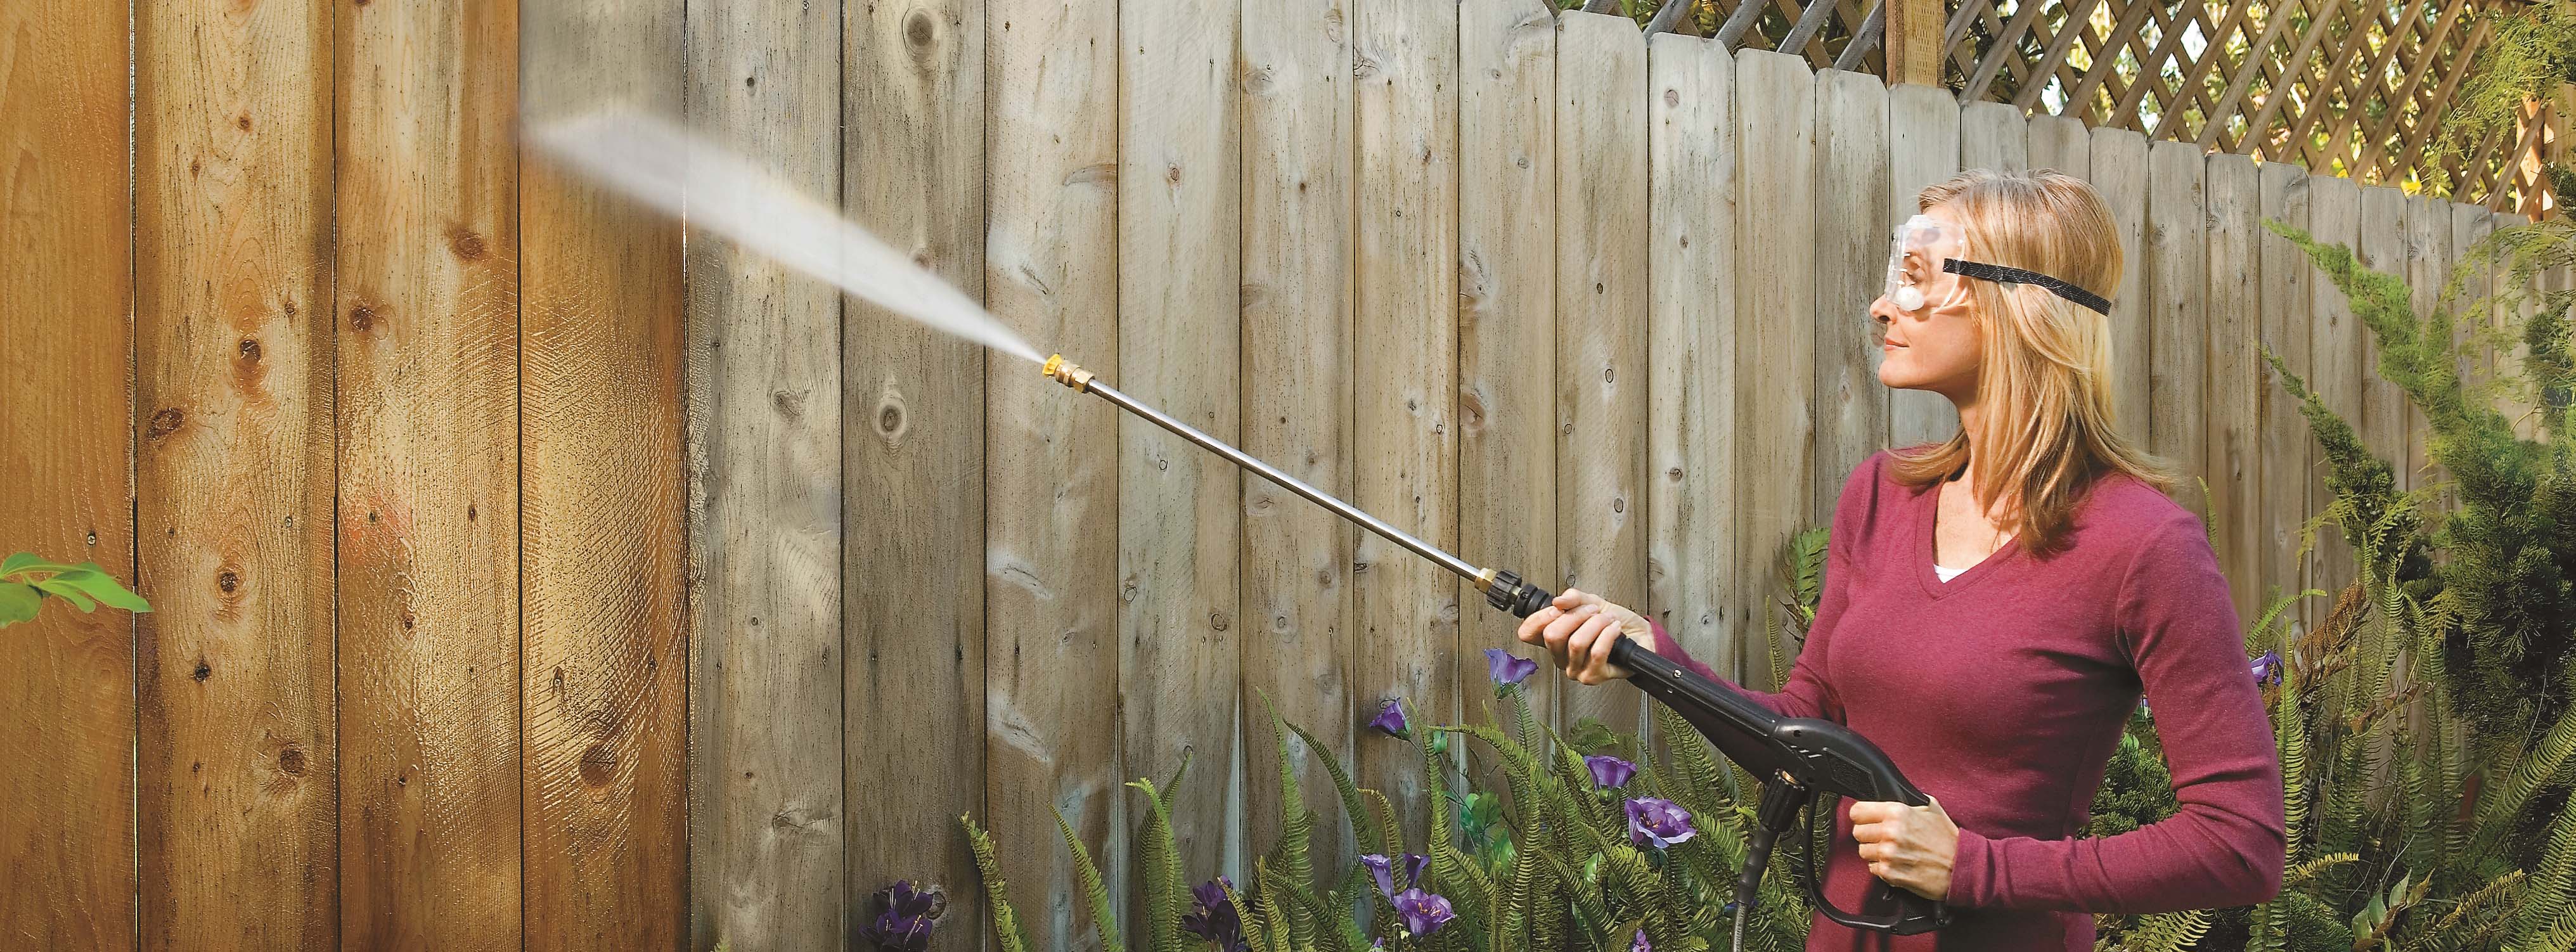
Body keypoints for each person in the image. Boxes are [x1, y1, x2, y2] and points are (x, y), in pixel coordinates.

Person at [1517, 169, 2286, 951]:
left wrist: (1978, 868)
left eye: (1916, 280)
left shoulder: (2143, 544)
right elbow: (1805, 731)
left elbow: (2239, 841)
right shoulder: (1881, 495)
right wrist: (1657, 660)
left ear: (2015, 305)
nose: (1883, 305)